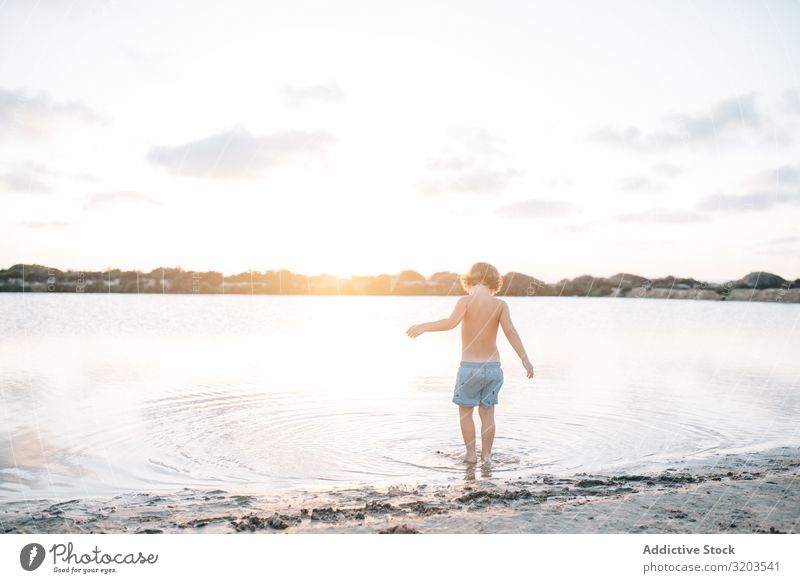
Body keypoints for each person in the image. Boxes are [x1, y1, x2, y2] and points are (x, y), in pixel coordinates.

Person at [406, 262, 534, 464]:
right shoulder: (500, 304)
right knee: (488, 414)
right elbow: (510, 332)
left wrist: (424, 326)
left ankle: (471, 455)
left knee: (466, 413)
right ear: (494, 282)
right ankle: (488, 457)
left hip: (469, 369)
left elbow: (450, 323)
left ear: (469, 280)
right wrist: (525, 359)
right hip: (493, 369)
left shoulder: (465, 300)